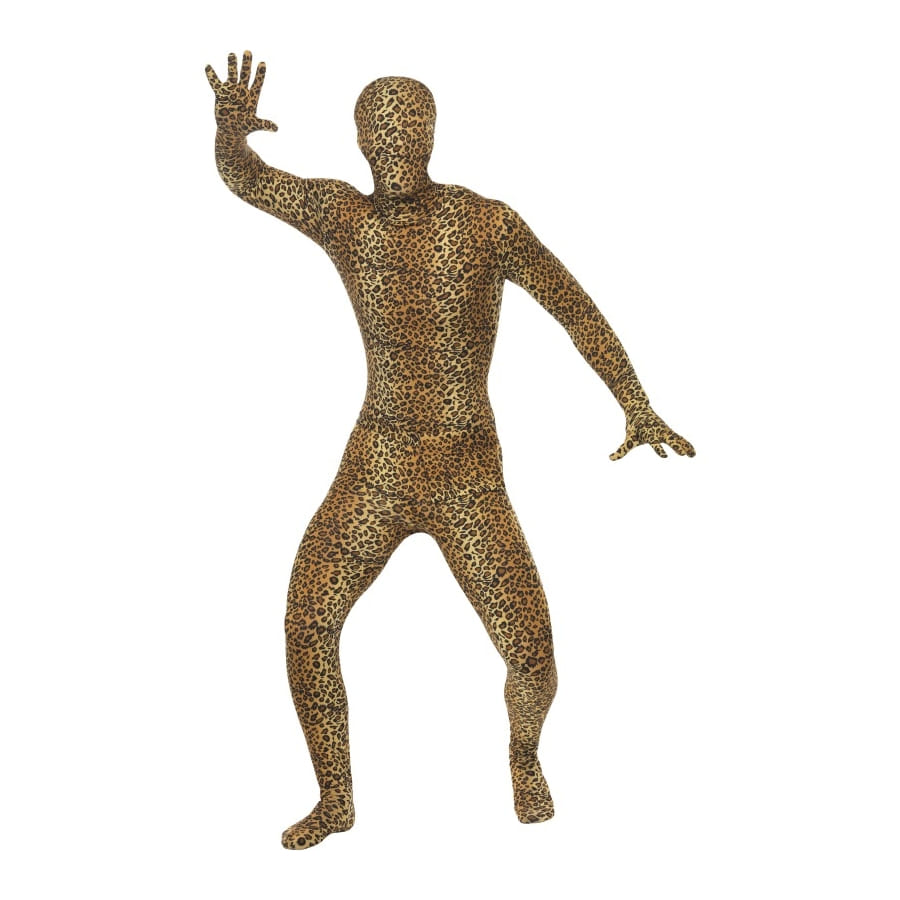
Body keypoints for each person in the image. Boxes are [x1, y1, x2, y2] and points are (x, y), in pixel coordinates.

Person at [205, 51, 695, 850]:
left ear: (430, 137)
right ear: (361, 143)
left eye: (408, 135)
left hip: (466, 473)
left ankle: (524, 756)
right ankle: (336, 798)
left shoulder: (485, 224)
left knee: (533, 656)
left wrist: (634, 402)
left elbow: (573, 307)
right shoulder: (343, 216)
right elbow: (250, 182)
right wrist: (230, 133)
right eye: (381, 137)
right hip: (377, 465)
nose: (395, 149)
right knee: (307, 622)